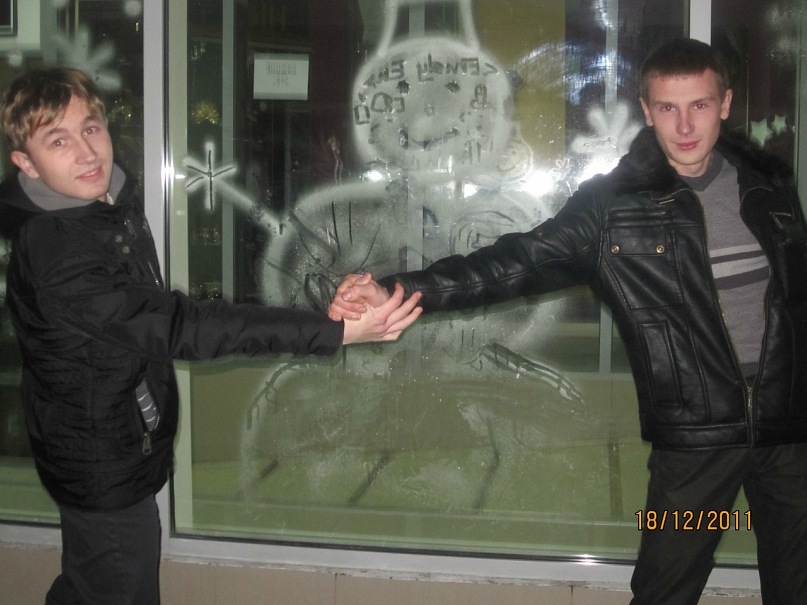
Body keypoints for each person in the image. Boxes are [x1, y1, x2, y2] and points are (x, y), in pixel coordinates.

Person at [329, 37, 807, 604]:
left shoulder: (770, 191)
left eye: (699, 105)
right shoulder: (612, 207)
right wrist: (400, 289)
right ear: (647, 110)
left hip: (789, 432)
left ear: (724, 104)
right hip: (696, 443)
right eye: (667, 107)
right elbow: (512, 264)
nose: (684, 126)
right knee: (666, 591)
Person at [0, 66, 421, 605]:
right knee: (117, 586)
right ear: (26, 163)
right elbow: (183, 326)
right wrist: (329, 331)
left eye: (90, 128)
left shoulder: (97, 207)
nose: (86, 152)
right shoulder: (60, 253)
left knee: (93, 583)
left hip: (110, 440)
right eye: (58, 141)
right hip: (100, 460)